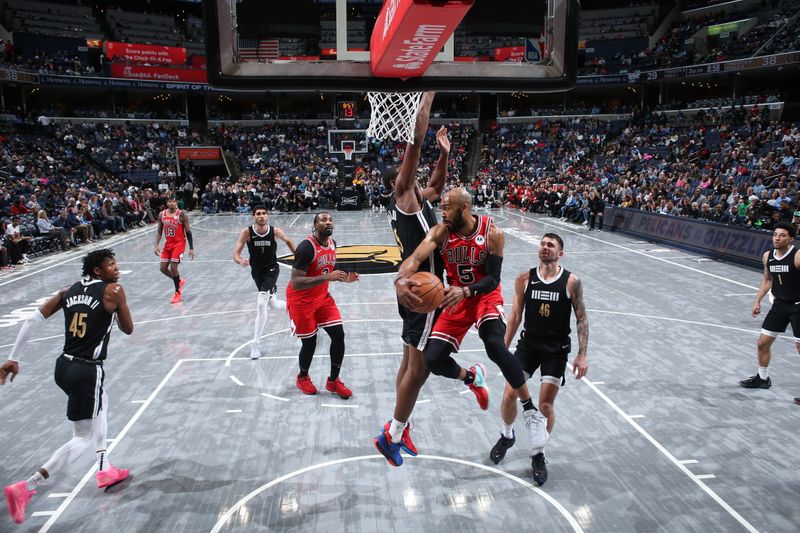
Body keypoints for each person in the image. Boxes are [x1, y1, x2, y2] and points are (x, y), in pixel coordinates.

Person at [376, 188, 536, 467]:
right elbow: (414, 259)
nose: (443, 212)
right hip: (456, 297)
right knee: (433, 359)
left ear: (465, 208)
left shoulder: (493, 233)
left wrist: (467, 291)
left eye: (448, 208)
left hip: (481, 295)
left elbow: (494, 280)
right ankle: (472, 377)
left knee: (495, 345)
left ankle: (530, 409)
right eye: (442, 208)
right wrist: (400, 280)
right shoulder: (441, 232)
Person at [1, 249, 134, 524]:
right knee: (81, 437)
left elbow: (32, 319)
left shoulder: (67, 290)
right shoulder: (114, 291)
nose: (117, 268)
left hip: (63, 367)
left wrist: (13, 357)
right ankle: (27, 486)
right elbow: (128, 328)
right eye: (111, 264)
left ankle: (104, 466)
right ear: (97, 270)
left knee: (102, 402)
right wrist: (115, 308)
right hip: (88, 369)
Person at [375, 91, 450, 460]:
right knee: (419, 370)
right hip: (422, 289)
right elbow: (414, 146)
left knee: (407, 363)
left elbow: (436, 182)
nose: (420, 180)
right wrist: (427, 97)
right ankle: (394, 432)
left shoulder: (416, 199)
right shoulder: (404, 193)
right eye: (412, 175)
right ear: (400, 182)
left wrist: (445, 154)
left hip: (411, 289)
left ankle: (398, 426)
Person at [490, 233, 589, 486]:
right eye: (542, 244)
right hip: (528, 346)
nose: (545, 248)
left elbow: (581, 318)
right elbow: (514, 317)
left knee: (545, 406)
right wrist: (504, 348)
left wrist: (581, 354)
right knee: (509, 394)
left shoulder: (571, 282)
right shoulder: (524, 279)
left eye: (551, 245)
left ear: (560, 253)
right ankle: (507, 434)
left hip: (556, 350)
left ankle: (538, 454)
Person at [286, 212, 359, 398]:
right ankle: (302, 377)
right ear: (315, 225)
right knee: (310, 343)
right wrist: (328, 277)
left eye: (330, 220)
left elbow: (326, 268)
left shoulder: (333, 244)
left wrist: (344, 279)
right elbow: (296, 282)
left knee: (338, 335)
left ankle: (333, 381)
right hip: (301, 301)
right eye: (323, 220)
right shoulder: (306, 247)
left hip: (322, 298)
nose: (328, 222)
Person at [739, 221, 800, 406]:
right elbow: (767, 280)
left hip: (798, 306)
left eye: (782, 235)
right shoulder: (768, 256)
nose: (777, 238)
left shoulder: (797, 256)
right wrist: (757, 300)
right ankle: (763, 378)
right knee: (762, 343)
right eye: (775, 234)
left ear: (791, 239)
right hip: (779, 305)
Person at [233, 205, 296, 359]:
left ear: (267, 216)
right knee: (273, 304)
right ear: (254, 216)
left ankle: (255, 345)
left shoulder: (275, 231)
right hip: (257, 272)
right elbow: (236, 254)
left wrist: (300, 258)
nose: (261, 216)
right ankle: (294, 310)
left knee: (262, 303)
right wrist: (240, 260)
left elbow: (288, 241)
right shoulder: (247, 233)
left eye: (264, 213)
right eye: (258, 214)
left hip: (272, 270)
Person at [154, 196, 194, 304]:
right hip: (168, 244)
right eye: (169, 201)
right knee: (162, 268)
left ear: (176, 202)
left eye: (173, 201)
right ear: (167, 203)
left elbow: (188, 232)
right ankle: (178, 281)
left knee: (173, 266)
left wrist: (191, 248)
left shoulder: (182, 214)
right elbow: (159, 231)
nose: (171, 203)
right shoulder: (161, 214)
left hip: (179, 243)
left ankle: (177, 293)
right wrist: (156, 245)